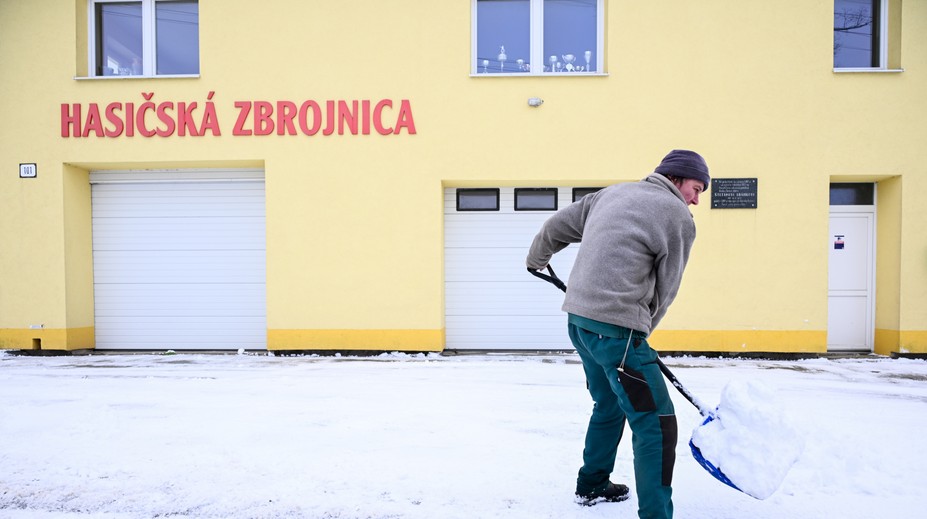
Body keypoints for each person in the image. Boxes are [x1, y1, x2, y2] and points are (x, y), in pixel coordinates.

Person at [525, 149, 709, 519]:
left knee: (609, 403)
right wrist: (640, 334)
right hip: (617, 335)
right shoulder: (677, 216)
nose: (696, 199)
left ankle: (593, 484)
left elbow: (555, 227)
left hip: (580, 324)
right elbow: (666, 288)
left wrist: (536, 260)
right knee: (656, 424)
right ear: (676, 178)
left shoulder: (611, 194)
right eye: (696, 188)